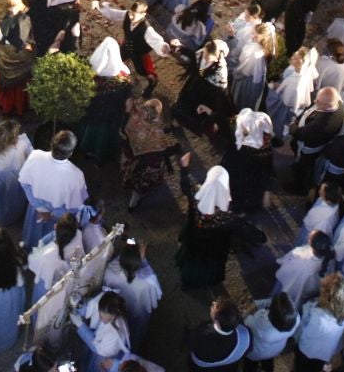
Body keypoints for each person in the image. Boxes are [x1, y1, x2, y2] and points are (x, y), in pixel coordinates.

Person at [19, 130, 90, 247]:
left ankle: (29, 248)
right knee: (50, 242)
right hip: (57, 216)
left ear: (51, 143)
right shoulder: (77, 175)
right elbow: (76, 206)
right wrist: (52, 213)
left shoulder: (35, 155)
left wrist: (40, 208)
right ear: (70, 152)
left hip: (36, 209)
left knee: (32, 234)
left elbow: (24, 183)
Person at [176, 159, 237, 287]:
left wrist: (184, 169)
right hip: (214, 249)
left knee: (192, 263)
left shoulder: (197, 194)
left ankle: (189, 282)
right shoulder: (228, 211)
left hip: (194, 240)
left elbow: (185, 187)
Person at [102, 237, 165, 347]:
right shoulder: (148, 282)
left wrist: (132, 253)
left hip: (115, 312)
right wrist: (142, 258)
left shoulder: (110, 272)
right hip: (137, 314)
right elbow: (152, 299)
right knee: (135, 332)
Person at [0, 119, 33, 228]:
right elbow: (30, 157)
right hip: (13, 179)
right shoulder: (21, 146)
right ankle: (12, 214)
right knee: (13, 197)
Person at [294, 274, 344, 372]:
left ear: (326, 294)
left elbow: (302, 328)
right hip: (324, 353)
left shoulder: (315, 310)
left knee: (300, 367)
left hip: (307, 350)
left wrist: (295, 338)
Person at [187, 297, 251, 372]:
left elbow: (191, 343)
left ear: (217, 321)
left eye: (214, 307)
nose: (213, 303)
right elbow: (247, 349)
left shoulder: (201, 334)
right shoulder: (245, 336)